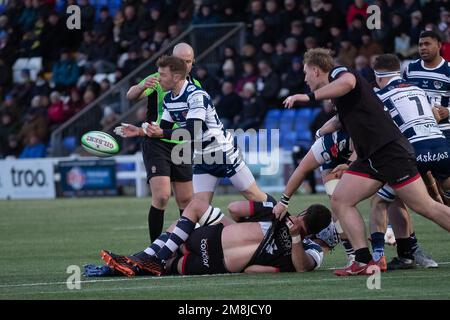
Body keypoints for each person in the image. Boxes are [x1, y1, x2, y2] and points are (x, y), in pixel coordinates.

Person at [282, 48, 450, 277]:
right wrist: (328, 136)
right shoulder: (338, 98)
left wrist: (307, 97)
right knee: (341, 200)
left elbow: (349, 82)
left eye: (305, 74)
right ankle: (362, 260)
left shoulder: (339, 74)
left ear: (315, 70)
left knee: (425, 207)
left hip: (390, 152)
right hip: (370, 157)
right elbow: (346, 121)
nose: (304, 79)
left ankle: (399, 251)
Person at [142, 55, 270, 206]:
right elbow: (163, 130)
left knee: (254, 196)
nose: (158, 79)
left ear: (176, 77)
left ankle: (282, 217)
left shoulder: (196, 95)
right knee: (198, 206)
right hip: (203, 156)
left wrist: (160, 133)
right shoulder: (169, 98)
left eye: (162, 75)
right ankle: (215, 229)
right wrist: (140, 131)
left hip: (223, 152)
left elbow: (191, 132)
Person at [96, 198, 334, 277]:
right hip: (215, 264)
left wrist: (269, 205)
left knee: (184, 221)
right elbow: (256, 271)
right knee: (168, 266)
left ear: (302, 213)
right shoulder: (306, 253)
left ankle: (142, 259)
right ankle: (144, 261)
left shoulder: (279, 213)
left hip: (209, 237)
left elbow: (235, 207)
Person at [368, 54, 450, 269]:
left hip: (415, 152)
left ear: (378, 76)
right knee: (429, 198)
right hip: (442, 146)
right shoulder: (417, 89)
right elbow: (435, 115)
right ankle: (407, 253)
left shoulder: (380, 95)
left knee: (383, 200)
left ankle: (389, 255)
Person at [114, 43, 198, 242]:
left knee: (186, 200)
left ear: (193, 63)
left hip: (181, 143)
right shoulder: (159, 79)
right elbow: (131, 95)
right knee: (161, 197)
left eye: (188, 61)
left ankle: (186, 248)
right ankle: (154, 253)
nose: (184, 65)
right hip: (156, 142)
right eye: (180, 61)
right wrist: (143, 86)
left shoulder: (196, 87)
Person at [403, 31, 450, 143]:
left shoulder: (448, 70)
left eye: (427, 44)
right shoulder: (410, 69)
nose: (423, 48)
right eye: (420, 45)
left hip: (443, 131)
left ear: (439, 45)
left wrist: (448, 111)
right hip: (417, 131)